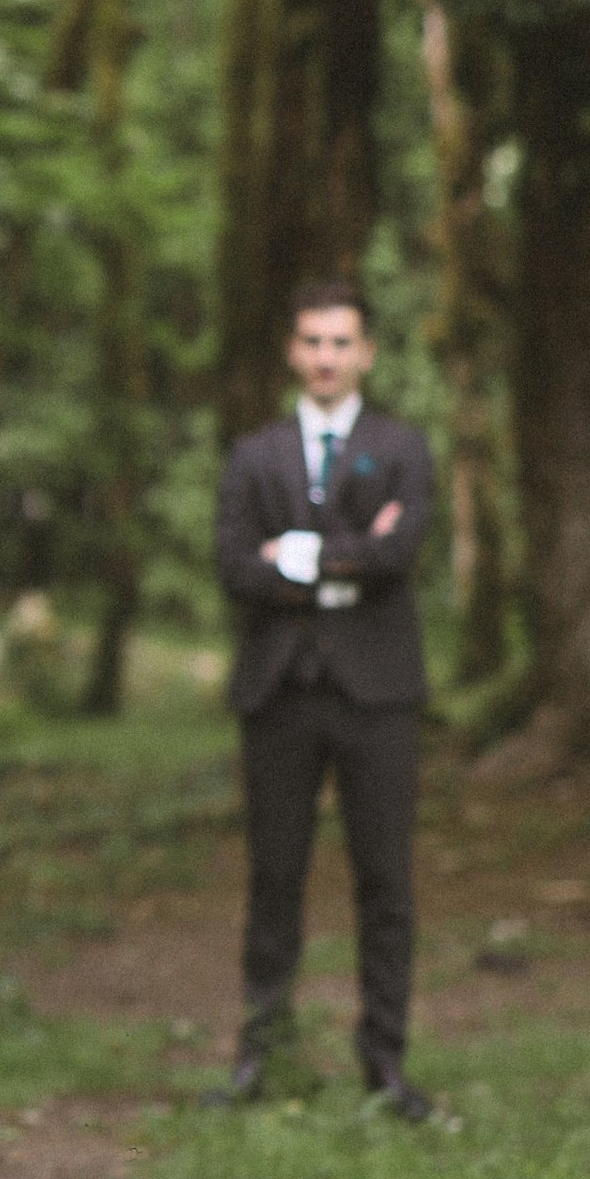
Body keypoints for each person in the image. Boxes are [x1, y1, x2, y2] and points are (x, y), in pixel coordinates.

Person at [212, 279, 435, 1117]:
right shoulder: (253, 454)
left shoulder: (405, 448)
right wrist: (349, 551)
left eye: (341, 342)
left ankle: (386, 1067)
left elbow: (399, 553)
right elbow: (235, 568)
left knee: (386, 882)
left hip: (380, 696)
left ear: (367, 353)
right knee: (275, 879)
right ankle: (261, 1060)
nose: (326, 356)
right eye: (311, 340)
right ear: (291, 351)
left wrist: (294, 556)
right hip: (278, 696)